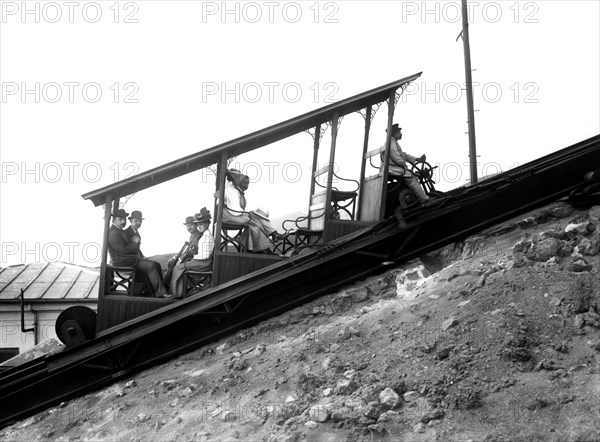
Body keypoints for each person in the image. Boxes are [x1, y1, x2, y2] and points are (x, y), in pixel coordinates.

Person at [107, 208, 167, 297]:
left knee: (152, 264)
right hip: (122, 261)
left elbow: (126, 249)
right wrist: (134, 243)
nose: (123, 221)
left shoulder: (119, 230)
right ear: (114, 220)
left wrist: (140, 255)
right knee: (151, 266)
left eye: (124, 219)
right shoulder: (114, 233)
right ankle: (160, 292)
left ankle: (153, 291)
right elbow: (123, 250)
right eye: (120, 219)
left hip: (125, 259)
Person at [222, 169, 279, 253]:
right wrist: (246, 214)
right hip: (229, 215)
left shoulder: (234, 189)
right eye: (241, 180)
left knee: (257, 216)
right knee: (255, 223)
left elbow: (236, 209)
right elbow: (235, 211)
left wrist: (248, 213)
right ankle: (262, 247)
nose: (244, 184)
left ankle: (258, 245)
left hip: (231, 213)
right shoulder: (232, 191)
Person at [167, 208, 215, 299]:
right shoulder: (204, 235)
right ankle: (178, 291)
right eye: (198, 224)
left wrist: (190, 258)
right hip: (202, 261)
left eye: (202, 224)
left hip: (204, 263)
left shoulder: (207, 237)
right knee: (178, 265)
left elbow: (204, 256)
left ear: (207, 224)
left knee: (179, 266)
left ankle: (175, 293)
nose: (199, 226)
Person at [382, 124, 430, 203]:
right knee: (411, 177)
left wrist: (417, 159)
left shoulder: (392, 142)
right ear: (394, 133)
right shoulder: (391, 143)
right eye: (399, 132)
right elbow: (397, 158)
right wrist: (405, 167)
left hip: (393, 168)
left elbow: (403, 155)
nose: (401, 134)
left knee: (410, 174)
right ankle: (424, 199)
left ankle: (417, 198)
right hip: (392, 169)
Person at [124, 210, 162, 275]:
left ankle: (158, 284)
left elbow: (137, 249)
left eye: (140, 221)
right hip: (130, 261)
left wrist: (142, 256)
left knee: (157, 265)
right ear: (131, 221)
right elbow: (127, 249)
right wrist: (140, 258)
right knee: (153, 265)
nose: (138, 223)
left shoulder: (137, 233)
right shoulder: (126, 233)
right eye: (136, 221)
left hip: (137, 258)